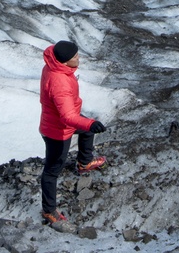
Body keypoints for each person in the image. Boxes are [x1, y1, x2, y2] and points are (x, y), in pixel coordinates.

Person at [39, 40, 107, 226]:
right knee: (52, 171)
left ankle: (84, 162)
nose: (78, 58)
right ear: (65, 61)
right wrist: (90, 123)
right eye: (75, 56)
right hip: (57, 132)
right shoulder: (60, 82)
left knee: (85, 131)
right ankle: (49, 211)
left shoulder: (55, 67)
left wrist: (86, 124)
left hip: (56, 121)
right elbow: (68, 116)